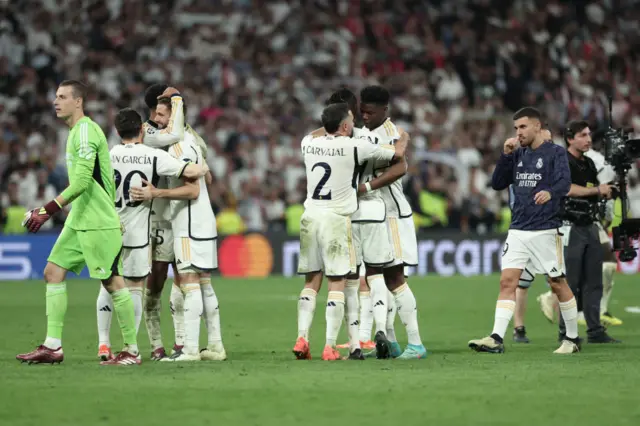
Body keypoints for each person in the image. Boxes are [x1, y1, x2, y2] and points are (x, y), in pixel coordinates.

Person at [16, 80, 140, 366]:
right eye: (55, 96)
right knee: (52, 272)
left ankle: (131, 351)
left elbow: (83, 181)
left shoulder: (85, 131)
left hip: (97, 220)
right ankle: (53, 346)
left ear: (78, 101)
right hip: (78, 218)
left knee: (112, 282)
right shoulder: (74, 132)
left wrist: (48, 209)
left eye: (62, 97)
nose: (56, 102)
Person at [292, 103, 406, 361]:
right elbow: (397, 154)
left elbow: (319, 131)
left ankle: (302, 337)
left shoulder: (307, 142)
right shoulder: (355, 146)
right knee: (337, 282)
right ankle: (330, 346)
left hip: (310, 216)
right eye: (351, 121)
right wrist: (404, 136)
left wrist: (330, 120)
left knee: (311, 281)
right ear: (345, 126)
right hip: (336, 218)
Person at [96, 107, 208, 361]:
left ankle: (103, 344)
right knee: (135, 287)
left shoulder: (108, 154)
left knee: (107, 282)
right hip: (136, 232)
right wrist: (201, 165)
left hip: (108, 227)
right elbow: (190, 172)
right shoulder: (152, 155)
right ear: (141, 130)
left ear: (116, 131)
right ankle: (130, 347)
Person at [468, 107, 581, 355]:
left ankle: (571, 340)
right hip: (518, 229)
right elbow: (497, 183)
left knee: (557, 283)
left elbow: (564, 183)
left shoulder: (555, 153)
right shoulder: (517, 155)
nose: (518, 133)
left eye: (523, 127)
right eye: (516, 128)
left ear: (537, 127)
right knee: (507, 281)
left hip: (546, 229)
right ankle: (496, 337)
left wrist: (550, 191)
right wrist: (506, 156)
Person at [131, 95, 225, 361]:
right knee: (204, 284)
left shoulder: (178, 147)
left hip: (188, 222)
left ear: (176, 118)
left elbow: (193, 189)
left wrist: (155, 193)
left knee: (189, 282)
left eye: (162, 116)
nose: (156, 121)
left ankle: (190, 349)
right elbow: (204, 175)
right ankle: (215, 345)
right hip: (201, 221)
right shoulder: (192, 142)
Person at [359, 85, 427, 360]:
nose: (365, 116)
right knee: (374, 276)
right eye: (362, 111)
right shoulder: (364, 133)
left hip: (393, 216)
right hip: (372, 215)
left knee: (395, 278)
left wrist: (366, 188)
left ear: (384, 111)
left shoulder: (391, 134)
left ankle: (416, 344)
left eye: (370, 112)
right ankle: (391, 341)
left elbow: (401, 166)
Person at [557, 120, 620, 344]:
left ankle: (595, 330)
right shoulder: (562, 161)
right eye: (583, 135)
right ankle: (566, 332)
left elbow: (591, 192)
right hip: (569, 226)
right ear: (570, 138)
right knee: (571, 281)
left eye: (589, 134)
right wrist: (596, 190)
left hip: (590, 224)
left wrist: (606, 194)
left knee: (594, 281)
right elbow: (566, 189)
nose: (588, 139)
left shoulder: (590, 164)